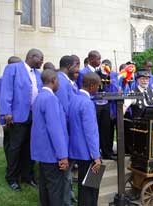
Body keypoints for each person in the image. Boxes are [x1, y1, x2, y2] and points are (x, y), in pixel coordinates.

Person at [0, 48, 43, 191]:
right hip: (17, 116)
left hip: (33, 116)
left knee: (30, 148)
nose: (42, 61)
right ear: (31, 56)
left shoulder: (38, 73)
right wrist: (6, 112)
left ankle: (27, 176)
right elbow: (6, 90)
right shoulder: (13, 68)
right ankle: (12, 177)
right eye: (40, 58)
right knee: (15, 148)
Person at [31, 69, 69, 206]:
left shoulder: (39, 96)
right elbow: (55, 130)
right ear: (54, 80)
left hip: (42, 152)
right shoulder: (50, 98)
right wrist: (62, 156)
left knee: (44, 187)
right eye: (58, 80)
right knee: (55, 190)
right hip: (52, 153)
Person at [68, 72, 102, 206]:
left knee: (83, 188)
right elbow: (91, 132)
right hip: (88, 153)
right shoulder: (87, 103)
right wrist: (96, 156)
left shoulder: (74, 98)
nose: (98, 89)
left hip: (76, 149)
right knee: (90, 190)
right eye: (98, 86)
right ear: (92, 85)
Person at [55, 55, 78, 205]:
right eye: (76, 66)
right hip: (64, 131)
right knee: (64, 171)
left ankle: (68, 194)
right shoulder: (62, 82)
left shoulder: (63, 80)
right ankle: (65, 200)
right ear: (69, 66)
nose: (78, 70)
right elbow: (66, 111)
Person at [0, 56, 21, 176]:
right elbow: (2, 101)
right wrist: (3, 121)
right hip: (7, 120)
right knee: (9, 144)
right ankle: (10, 166)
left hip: (17, 120)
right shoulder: (2, 80)